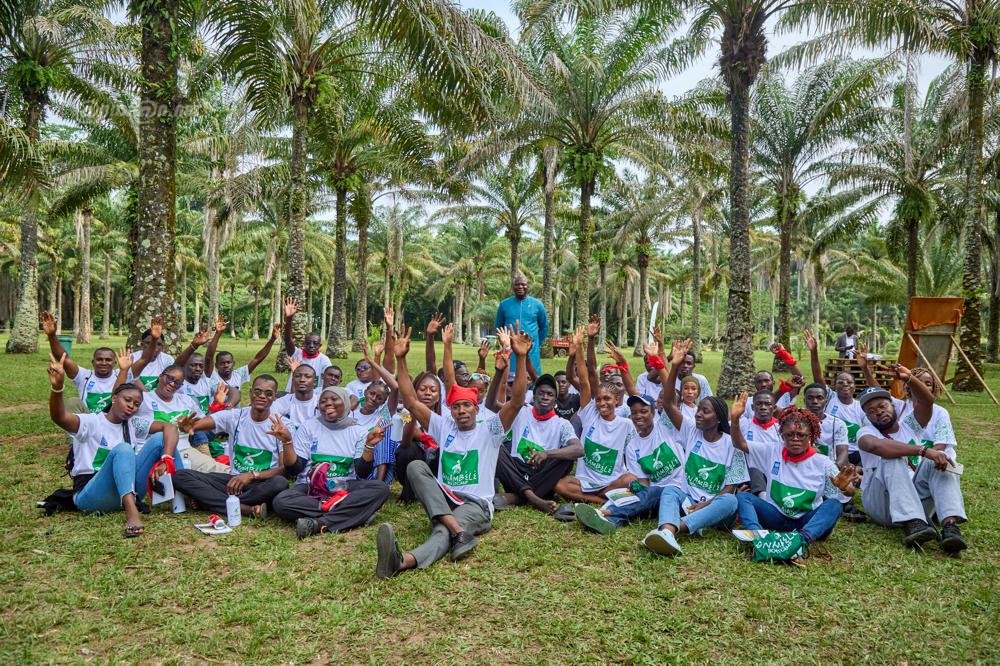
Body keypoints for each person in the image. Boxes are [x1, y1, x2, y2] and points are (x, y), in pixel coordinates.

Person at [373, 325, 528, 578]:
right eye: (456, 407)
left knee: (441, 532)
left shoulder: (490, 428)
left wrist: (520, 358)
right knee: (415, 466)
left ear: (476, 408)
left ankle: (403, 562)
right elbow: (411, 402)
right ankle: (459, 533)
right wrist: (400, 359)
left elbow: (517, 401)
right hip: (446, 497)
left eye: (467, 405)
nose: (461, 411)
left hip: (475, 504)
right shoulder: (444, 425)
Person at [47, 352, 182, 538]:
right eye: (127, 400)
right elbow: (59, 417)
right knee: (124, 449)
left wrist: (166, 458)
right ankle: (132, 514)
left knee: (163, 439)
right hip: (92, 494)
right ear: (113, 399)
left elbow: (170, 428)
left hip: (131, 490)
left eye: (136, 404)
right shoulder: (92, 422)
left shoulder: (134, 424)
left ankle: (184, 495)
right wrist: (57, 388)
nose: (131, 407)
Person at [641, 338, 748, 557]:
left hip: (715, 510)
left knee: (730, 500)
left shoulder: (732, 444)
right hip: (688, 502)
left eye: (705, 412)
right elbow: (670, 403)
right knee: (671, 489)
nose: (698, 414)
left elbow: (728, 488)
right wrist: (674, 366)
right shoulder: (691, 431)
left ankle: (675, 527)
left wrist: (706, 505)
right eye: (699, 410)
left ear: (718, 419)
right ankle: (668, 535)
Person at [572, 341, 690, 535]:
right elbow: (642, 483)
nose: (639, 416)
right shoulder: (633, 445)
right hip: (652, 496)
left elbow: (668, 398)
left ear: (654, 413)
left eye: (644, 411)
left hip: (678, 492)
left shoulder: (665, 426)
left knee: (654, 492)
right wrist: (634, 490)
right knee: (642, 492)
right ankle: (610, 520)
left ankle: (606, 513)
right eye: (634, 413)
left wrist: (668, 364)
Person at [856, 367, 968, 553]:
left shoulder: (910, 425)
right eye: (871, 411)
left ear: (894, 405)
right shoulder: (865, 433)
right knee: (891, 458)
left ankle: (950, 526)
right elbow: (876, 447)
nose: (878, 412)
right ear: (867, 417)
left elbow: (926, 401)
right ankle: (913, 522)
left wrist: (910, 379)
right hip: (881, 505)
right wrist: (922, 450)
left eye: (882, 406)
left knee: (941, 460)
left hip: (916, 500)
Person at [733, 402, 860, 550]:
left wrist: (845, 488)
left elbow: (849, 491)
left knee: (834, 505)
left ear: (811, 436)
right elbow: (740, 444)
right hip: (776, 517)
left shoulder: (823, 462)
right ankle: (757, 536)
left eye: (801, 435)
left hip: (806, 521)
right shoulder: (772, 451)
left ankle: (801, 542)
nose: (795, 438)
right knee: (743, 497)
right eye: (789, 434)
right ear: (782, 435)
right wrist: (735, 420)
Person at [271, 386, 391, 538]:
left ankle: (318, 523)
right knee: (281, 501)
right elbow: (295, 468)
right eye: (323, 401)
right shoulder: (308, 427)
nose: (328, 403)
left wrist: (369, 446)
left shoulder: (359, 431)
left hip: (344, 488)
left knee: (380, 488)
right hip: (310, 488)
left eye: (334, 399)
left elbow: (362, 472)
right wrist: (287, 442)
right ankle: (355, 514)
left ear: (346, 403)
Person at [174, 375, 294, 518]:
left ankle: (212, 502)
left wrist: (252, 476)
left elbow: (282, 469)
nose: (262, 396)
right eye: (257, 391)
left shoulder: (281, 425)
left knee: (280, 483)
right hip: (232, 481)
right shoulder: (235, 416)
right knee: (180, 476)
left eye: (268, 394)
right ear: (250, 393)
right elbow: (204, 423)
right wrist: (190, 426)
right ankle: (244, 508)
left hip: (261, 483)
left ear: (274, 397)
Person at [552, 328, 639, 511]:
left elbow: (631, 456)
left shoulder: (627, 425)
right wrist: (581, 344)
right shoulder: (590, 413)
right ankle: (601, 503)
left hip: (612, 482)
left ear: (616, 400)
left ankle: (598, 498)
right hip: (586, 482)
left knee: (630, 480)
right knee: (561, 485)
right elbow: (585, 378)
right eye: (598, 399)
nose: (601, 403)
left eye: (607, 399)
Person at [489, 347, 583, 514]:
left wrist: (547, 454)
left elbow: (578, 449)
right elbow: (491, 405)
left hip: (542, 473)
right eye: (541, 393)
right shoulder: (521, 410)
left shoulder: (562, 424)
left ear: (555, 400)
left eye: (549, 394)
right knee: (495, 447)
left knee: (567, 458)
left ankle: (517, 497)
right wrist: (498, 372)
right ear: (534, 395)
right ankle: (534, 499)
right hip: (516, 470)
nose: (545, 397)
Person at [127, 360, 229, 474]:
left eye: (178, 383)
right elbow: (121, 392)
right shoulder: (143, 399)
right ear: (160, 376)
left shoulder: (186, 400)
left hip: (184, 451)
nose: (172, 384)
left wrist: (217, 404)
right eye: (170, 378)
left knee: (223, 471)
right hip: (153, 454)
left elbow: (204, 425)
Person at [804, 328, 866, 465]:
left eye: (849, 382)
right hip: (834, 452)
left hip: (854, 452)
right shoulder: (830, 397)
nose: (845, 384)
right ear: (834, 385)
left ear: (854, 386)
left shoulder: (860, 406)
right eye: (840, 382)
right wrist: (814, 352)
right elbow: (817, 376)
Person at [41, 310, 119, 413]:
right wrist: (52, 336)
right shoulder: (84, 376)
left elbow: (143, 360)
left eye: (108, 360)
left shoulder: (121, 375)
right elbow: (64, 359)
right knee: (72, 402)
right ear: (93, 362)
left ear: (115, 363)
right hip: (88, 424)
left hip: (113, 424)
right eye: (99, 359)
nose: (103, 363)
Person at [205, 316, 281, 403]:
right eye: (222, 363)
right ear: (216, 365)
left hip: (234, 413)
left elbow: (257, 359)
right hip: (215, 413)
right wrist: (218, 333)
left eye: (228, 362)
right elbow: (208, 358)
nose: (226, 365)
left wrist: (272, 339)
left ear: (233, 363)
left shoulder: (238, 375)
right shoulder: (212, 376)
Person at [494, 274, 548, 377]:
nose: (520, 287)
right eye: (517, 284)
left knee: (532, 377)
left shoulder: (537, 305)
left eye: (523, 284)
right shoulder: (504, 304)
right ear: (513, 286)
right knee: (510, 378)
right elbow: (499, 327)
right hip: (510, 348)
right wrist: (505, 343)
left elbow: (544, 327)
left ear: (528, 286)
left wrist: (535, 343)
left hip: (531, 350)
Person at [741, 344, 804, 423]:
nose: (763, 384)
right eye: (759, 382)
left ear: (773, 382)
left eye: (766, 381)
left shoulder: (785, 396)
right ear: (754, 384)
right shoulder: (748, 402)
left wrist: (784, 354)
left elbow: (799, 380)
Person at [282, 298, 331, 391]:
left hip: (313, 398)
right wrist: (289, 319)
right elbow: (288, 340)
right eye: (308, 343)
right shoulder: (297, 354)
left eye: (315, 343)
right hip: (292, 394)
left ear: (320, 346)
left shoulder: (324, 360)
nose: (311, 345)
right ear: (304, 344)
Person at [128, 316, 175, 390]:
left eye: (159, 344)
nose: (155, 348)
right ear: (142, 344)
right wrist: (148, 396)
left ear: (163, 346)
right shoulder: (132, 358)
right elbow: (130, 378)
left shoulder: (168, 359)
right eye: (148, 343)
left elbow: (172, 380)